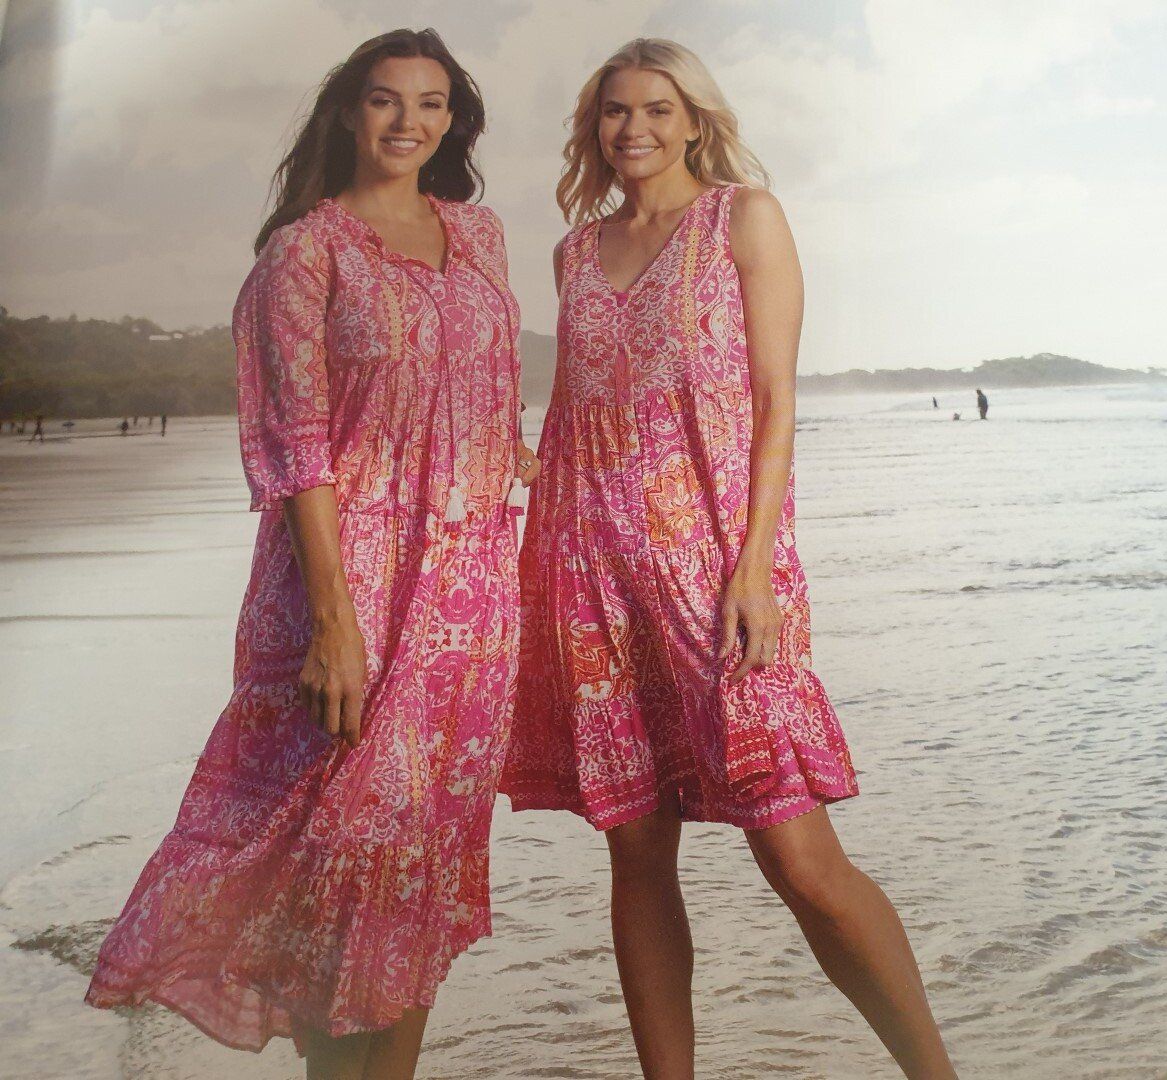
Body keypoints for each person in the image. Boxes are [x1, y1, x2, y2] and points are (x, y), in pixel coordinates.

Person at [85, 28, 539, 1079]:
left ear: (452, 122)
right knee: (333, 868)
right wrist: (335, 624)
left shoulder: (482, 237)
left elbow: (479, 399)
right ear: (347, 112)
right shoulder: (306, 251)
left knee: (418, 872)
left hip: (470, 602)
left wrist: (531, 462)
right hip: (352, 590)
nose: (408, 123)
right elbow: (295, 448)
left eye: (430, 104)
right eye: (385, 101)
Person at [499, 38, 956, 1080]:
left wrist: (755, 566)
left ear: (695, 117)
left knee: (799, 853)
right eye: (616, 112)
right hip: (592, 570)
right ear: (595, 126)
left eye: (658, 109)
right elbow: (580, 410)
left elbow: (776, 402)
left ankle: (934, 1073)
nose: (635, 130)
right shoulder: (576, 251)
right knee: (635, 847)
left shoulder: (743, 217)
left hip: (717, 566)